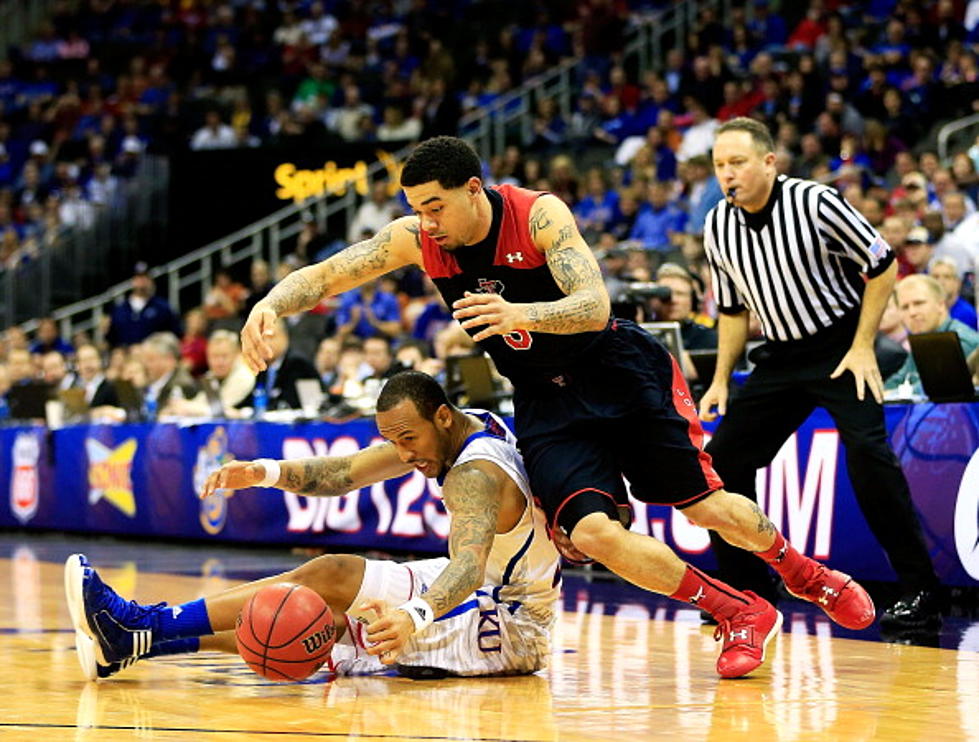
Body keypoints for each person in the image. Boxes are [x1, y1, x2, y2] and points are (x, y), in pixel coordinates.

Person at [237, 135, 876, 679]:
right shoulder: (416, 238)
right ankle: (738, 610)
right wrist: (269, 305)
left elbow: (595, 305)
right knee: (593, 534)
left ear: (473, 189)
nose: (426, 221)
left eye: (435, 206)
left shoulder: (538, 216)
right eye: (416, 209)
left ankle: (801, 573)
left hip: (619, 372)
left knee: (704, 505)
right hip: (546, 398)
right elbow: (326, 274)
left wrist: (521, 313)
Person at [65, 371, 561, 680]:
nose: (405, 455)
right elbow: (343, 473)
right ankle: (133, 635)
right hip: (490, 586)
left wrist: (414, 613)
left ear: (443, 417)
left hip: (513, 621)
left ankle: (139, 631)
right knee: (326, 577)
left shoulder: (473, 477)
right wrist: (265, 472)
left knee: (312, 626)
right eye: (395, 442)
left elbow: (469, 567)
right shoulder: (464, 424)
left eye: (409, 439)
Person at [698, 117, 941, 629]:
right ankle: (750, 591)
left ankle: (921, 592)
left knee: (870, 457)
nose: (728, 174)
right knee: (721, 464)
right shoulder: (718, 225)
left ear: (769, 162)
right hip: (781, 355)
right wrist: (720, 379)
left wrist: (862, 346)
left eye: (737, 163)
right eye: (720, 166)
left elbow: (881, 263)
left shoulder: (815, 202)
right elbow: (733, 310)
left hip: (840, 344)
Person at [885, 274, 979, 396]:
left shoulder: (961, 340)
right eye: (905, 307)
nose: (912, 313)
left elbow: (937, 388)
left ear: (940, 305)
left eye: (919, 303)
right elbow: (899, 379)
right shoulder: (924, 338)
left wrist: (890, 394)